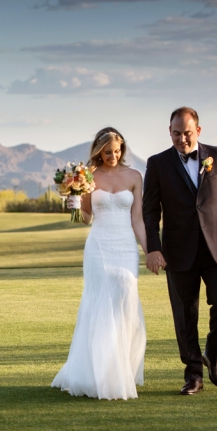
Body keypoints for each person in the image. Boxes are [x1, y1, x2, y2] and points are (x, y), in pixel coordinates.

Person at [142, 107, 217, 395]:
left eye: (187, 133)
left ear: (198, 131)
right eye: (176, 133)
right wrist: (153, 249)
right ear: (169, 132)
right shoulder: (157, 164)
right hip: (178, 250)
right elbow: (150, 211)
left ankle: (212, 354)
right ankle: (193, 375)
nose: (182, 139)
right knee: (184, 315)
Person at [51, 127, 150, 400]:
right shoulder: (87, 177)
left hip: (125, 247)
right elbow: (86, 217)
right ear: (98, 151)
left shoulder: (135, 176)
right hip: (99, 248)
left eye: (117, 151)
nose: (113, 156)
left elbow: (138, 219)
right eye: (107, 152)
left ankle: (119, 370)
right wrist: (73, 202)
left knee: (125, 300)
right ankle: (98, 375)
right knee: (100, 305)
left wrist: (150, 250)